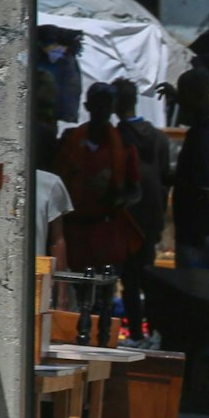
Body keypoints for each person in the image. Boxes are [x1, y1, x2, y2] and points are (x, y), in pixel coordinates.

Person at [56, 82, 144, 340]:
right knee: (77, 294)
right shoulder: (71, 140)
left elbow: (135, 189)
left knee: (105, 294)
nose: (102, 110)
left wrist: (119, 200)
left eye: (107, 105)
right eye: (97, 105)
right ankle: (78, 338)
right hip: (75, 229)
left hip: (105, 229)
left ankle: (102, 340)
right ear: (88, 107)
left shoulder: (124, 145)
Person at [112, 79, 171, 343]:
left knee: (129, 281)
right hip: (151, 218)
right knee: (149, 278)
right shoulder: (159, 138)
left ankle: (135, 333)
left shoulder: (115, 138)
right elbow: (165, 180)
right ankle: (158, 331)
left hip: (125, 220)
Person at [171, 69, 209, 269]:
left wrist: (178, 182)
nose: (180, 103)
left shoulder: (204, 136)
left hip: (198, 240)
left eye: (182, 96)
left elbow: (206, 194)